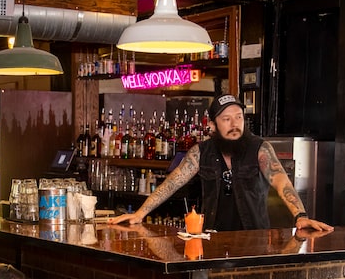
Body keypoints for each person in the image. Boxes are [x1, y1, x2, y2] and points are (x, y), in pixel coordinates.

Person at [108, 94, 333, 233]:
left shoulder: (259, 148)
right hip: (211, 237)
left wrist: (300, 216)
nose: (234, 124)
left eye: (239, 117)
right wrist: (140, 214)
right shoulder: (201, 152)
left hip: (253, 238)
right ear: (213, 125)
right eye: (226, 119)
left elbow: (281, 182)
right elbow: (171, 183)